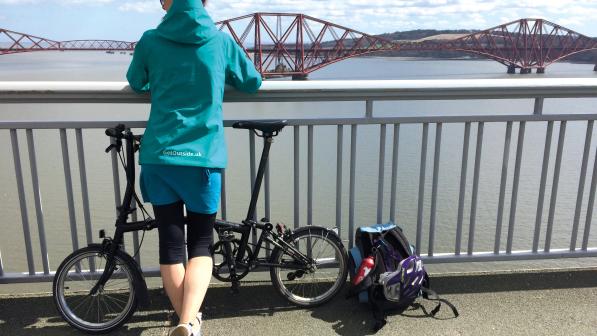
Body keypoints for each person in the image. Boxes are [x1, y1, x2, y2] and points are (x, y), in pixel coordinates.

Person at [126, 0, 262, 335]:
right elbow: (252, 81)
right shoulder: (220, 41)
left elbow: (135, 81)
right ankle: (188, 321)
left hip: (160, 155)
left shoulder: (150, 40)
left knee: (171, 245)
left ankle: (184, 322)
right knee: (200, 244)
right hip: (202, 158)